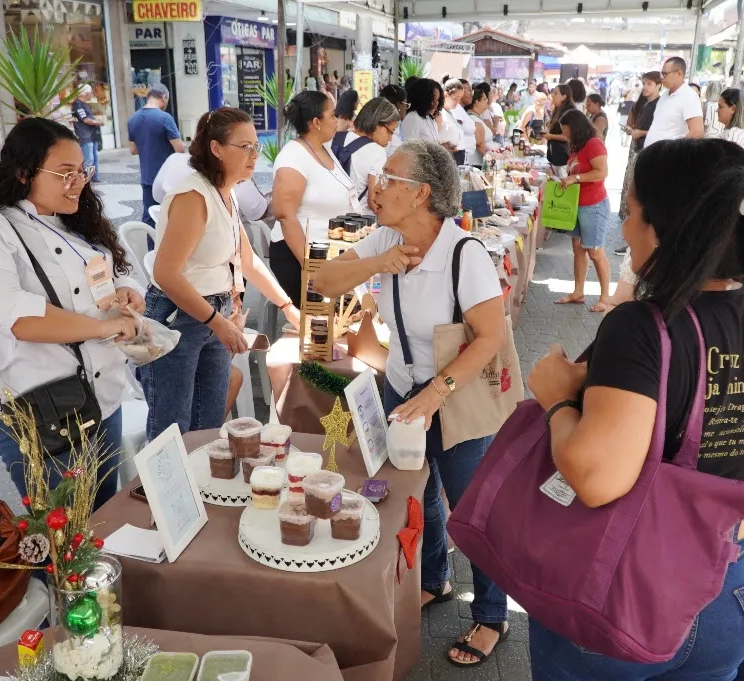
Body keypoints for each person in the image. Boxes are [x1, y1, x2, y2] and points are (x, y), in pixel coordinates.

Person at [525, 137, 744, 680]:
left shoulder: (642, 326)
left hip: (625, 594)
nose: (623, 229)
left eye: (630, 213)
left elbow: (595, 478)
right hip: (730, 587)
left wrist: (557, 395)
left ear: (665, 224)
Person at [311, 139, 510, 668]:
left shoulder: (463, 254)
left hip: (453, 393)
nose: (376, 187)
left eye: (388, 178)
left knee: (472, 509)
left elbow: (489, 337)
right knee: (416, 490)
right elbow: (322, 282)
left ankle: (492, 614)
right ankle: (435, 579)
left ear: (421, 193)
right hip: (402, 386)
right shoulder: (387, 236)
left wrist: (435, 394)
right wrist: (382, 258)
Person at [0, 117, 144, 509]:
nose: (79, 183)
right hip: (41, 411)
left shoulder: (81, 221)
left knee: (102, 521)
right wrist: (106, 327)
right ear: (23, 172)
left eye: (82, 171)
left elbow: (126, 270)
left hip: (102, 398)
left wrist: (129, 293)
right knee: (67, 542)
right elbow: (19, 317)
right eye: (64, 173)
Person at [142, 108, 301, 438]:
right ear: (216, 148)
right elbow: (166, 273)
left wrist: (288, 307)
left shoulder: (226, 194)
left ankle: (200, 486)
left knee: (209, 421)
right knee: (172, 428)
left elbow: (249, 259)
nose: (254, 156)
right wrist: (216, 321)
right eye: (246, 147)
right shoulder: (193, 196)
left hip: (213, 314)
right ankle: (160, 490)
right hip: (180, 316)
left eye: (256, 147)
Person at [270, 91, 360, 306]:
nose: (337, 120)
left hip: (330, 255)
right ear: (317, 122)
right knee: (319, 326)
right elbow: (285, 215)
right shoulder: (293, 157)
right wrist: (310, 267)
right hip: (300, 258)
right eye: (332, 115)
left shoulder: (323, 149)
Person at [553, 110, 612, 312]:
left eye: (566, 130)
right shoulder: (577, 146)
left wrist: (574, 179)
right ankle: (578, 292)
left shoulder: (594, 144)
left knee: (595, 252)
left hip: (594, 204)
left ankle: (605, 298)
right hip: (576, 205)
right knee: (578, 249)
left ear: (575, 127)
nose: (564, 134)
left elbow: (601, 172)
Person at [615, 72, 661, 256]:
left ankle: (637, 243)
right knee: (634, 199)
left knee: (639, 200)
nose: (645, 87)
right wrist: (634, 131)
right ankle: (633, 242)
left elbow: (658, 131)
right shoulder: (647, 104)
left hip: (647, 155)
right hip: (639, 152)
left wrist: (639, 133)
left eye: (649, 83)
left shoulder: (660, 105)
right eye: (644, 83)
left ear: (659, 85)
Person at [152, 151, 271, 223]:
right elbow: (257, 212)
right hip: (225, 254)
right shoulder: (233, 171)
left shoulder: (174, 159)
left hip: (172, 237)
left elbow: (157, 196)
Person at [127, 84, 186, 228]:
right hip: (167, 178)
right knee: (171, 215)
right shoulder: (165, 118)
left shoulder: (133, 119)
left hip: (147, 177)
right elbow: (179, 149)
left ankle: (151, 249)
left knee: (149, 216)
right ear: (164, 97)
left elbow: (133, 150)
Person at [335, 97, 400, 207]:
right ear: (377, 125)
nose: (390, 139)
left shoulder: (335, 138)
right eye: (390, 132)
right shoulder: (377, 152)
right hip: (358, 219)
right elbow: (374, 200)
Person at [646, 57, 704, 147]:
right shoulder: (665, 95)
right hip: (652, 154)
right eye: (661, 73)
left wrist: (672, 151)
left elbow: (697, 132)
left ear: (679, 74)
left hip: (667, 156)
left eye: (665, 74)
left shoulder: (689, 96)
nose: (661, 77)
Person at [72, 86, 103, 182]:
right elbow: (85, 120)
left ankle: (94, 177)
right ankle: (86, 179)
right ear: (85, 93)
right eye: (90, 92)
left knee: (94, 157)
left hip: (91, 135)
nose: (91, 94)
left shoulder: (84, 104)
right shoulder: (78, 104)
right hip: (85, 135)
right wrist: (97, 122)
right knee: (89, 159)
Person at [541, 84, 575, 176]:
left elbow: (569, 136)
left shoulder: (570, 112)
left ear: (564, 96)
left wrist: (551, 136)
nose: (552, 95)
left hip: (564, 158)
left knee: (562, 186)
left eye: (556, 93)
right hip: (554, 157)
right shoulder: (557, 109)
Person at [401, 78, 441, 144]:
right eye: (433, 99)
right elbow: (408, 149)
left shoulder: (429, 118)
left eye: (438, 99)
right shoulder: (413, 117)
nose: (436, 103)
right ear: (423, 97)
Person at [441, 79, 471, 164]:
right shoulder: (439, 113)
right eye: (455, 98)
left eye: (460, 98)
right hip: (446, 157)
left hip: (457, 154)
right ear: (446, 95)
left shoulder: (451, 112)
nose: (458, 102)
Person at [380, 83, 408, 156]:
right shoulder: (384, 130)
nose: (406, 108)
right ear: (399, 104)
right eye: (406, 104)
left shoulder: (396, 126)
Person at [465, 88, 490, 168]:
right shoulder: (473, 118)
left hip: (481, 163)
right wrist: (492, 159)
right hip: (477, 164)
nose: (487, 101)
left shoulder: (476, 117)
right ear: (477, 102)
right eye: (484, 99)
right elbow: (480, 144)